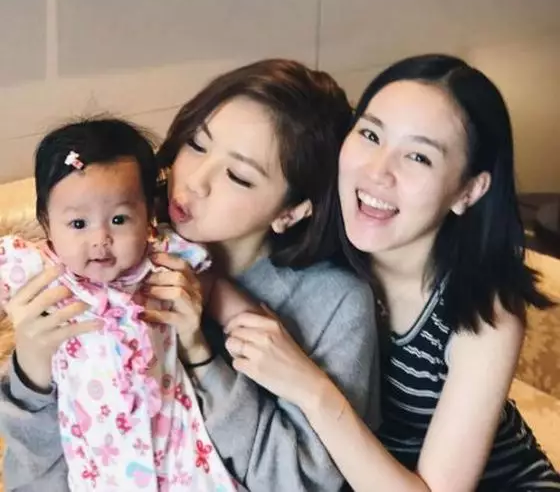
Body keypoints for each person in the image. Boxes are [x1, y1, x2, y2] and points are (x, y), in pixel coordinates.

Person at [0, 59, 380, 492]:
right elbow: (30, 482)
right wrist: (31, 376)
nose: (195, 182)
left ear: (291, 211)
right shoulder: (100, 248)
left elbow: (303, 483)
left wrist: (202, 356)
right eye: (197, 145)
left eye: (237, 175)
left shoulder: (333, 304)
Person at [224, 54, 560, 491]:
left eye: (418, 157)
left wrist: (311, 389)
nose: (377, 172)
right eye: (370, 134)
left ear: (469, 190)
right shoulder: (327, 236)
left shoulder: (484, 313)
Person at [0, 117, 239, 491]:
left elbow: (221, 293)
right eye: (78, 224)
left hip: (177, 448)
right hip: (99, 463)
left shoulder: (163, 261)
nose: (100, 239)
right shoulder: (38, 269)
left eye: (118, 219)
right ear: (46, 224)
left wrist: (241, 320)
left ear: (148, 218)